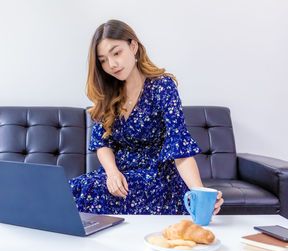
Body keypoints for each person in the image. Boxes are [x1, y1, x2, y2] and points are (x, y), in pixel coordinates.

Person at [68, 19, 224, 215]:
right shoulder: (108, 94)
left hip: (156, 176)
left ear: (133, 46)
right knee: (71, 188)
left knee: (93, 190)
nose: (112, 64)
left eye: (116, 53)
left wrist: (199, 193)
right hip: (119, 174)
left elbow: (179, 146)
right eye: (103, 60)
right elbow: (102, 143)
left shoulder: (162, 87)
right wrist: (112, 172)